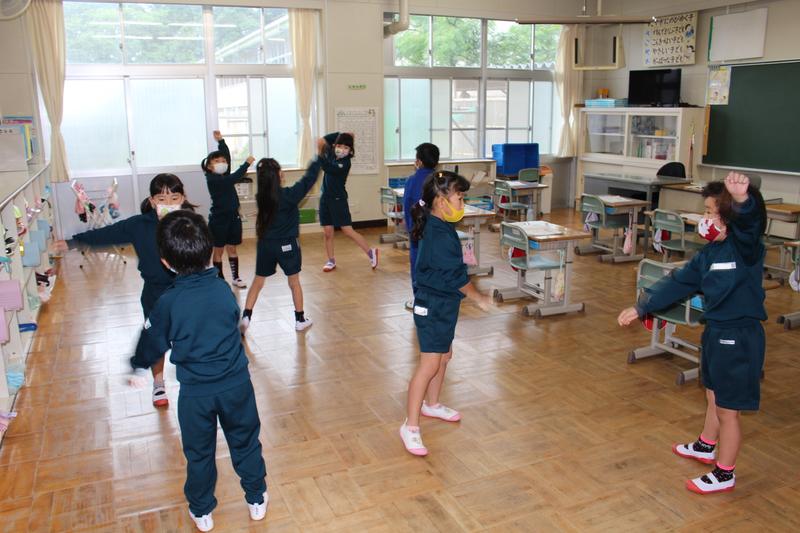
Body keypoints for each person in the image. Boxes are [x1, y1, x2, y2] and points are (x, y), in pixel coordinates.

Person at [618, 172, 767, 494]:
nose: (704, 218)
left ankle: (725, 474)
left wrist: (742, 199)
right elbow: (680, 282)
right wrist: (643, 307)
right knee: (713, 393)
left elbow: (752, 223)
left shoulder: (746, 248)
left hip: (739, 337)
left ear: (730, 217)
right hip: (715, 331)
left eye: (711, 212)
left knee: (728, 410)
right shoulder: (709, 253)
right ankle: (705, 445)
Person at [131, 211, 267, 532]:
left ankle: (202, 510)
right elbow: (231, 323)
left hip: (196, 393)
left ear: (165, 262)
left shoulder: (168, 302)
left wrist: (137, 364)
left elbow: (153, 342)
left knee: (199, 453)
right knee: (246, 441)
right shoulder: (222, 290)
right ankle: (256, 497)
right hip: (237, 385)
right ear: (208, 252)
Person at [72, 173, 196, 408]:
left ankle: (191, 379)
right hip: (155, 293)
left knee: (188, 336)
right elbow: (106, 234)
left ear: (182, 198)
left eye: (174, 198)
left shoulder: (192, 222)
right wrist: (73, 241)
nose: (168, 203)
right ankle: (158, 383)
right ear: (152, 201)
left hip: (186, 291)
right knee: (155, 337)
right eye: (161, 199)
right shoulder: (140, 225)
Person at [400, 171, 492, 456]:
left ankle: (432, 404)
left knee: (444, 356)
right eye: (460, 198)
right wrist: (478, 297)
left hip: (444, 304)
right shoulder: (438, 233)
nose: (463, 203)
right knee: (429, 365)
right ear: (441, 201)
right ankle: (410, 426)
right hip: (431, 306)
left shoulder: (439, 222)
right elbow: (456, 277)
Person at [240, 155, 323, 335]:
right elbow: (308, 179)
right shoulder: (289, 195)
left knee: (258, 281)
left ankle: (246, 316)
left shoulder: (261, 197)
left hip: (265, 245)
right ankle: (300, 320)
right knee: (294, 282)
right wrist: (319, 158)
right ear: (278, 174)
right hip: (287, 244)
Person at [316, 131, 378, 272]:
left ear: (350, 151)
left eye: (346, 147)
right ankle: (331, 260)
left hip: (338, 200)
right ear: (335, 146)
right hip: (325, 198)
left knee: (347, 230)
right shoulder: (332, 154)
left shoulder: (345, 163)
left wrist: (319, 152)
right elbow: (325, 139)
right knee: (327, 232)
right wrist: (341, 134)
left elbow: (327, 167)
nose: (342, 149)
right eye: (339, 146)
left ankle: (371, 253)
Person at [202, 130, 254, 288]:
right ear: (209, 167)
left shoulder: (224, 175)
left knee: (232, 248)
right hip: (219, 219)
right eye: (217, 161)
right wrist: (246, 164)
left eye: (223, 161)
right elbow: (234, 177)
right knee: (218, 250)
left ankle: (236, 277)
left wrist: (221, 141)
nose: (222, 162)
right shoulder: (212, 179)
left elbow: (227, 157)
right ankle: (219, 279)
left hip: (233, 218)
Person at [403, 143, 440, 309]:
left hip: (417, 232)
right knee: (436, 265)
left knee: (418, 266)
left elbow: (407, 207)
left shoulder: (412, 180)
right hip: (438, 232)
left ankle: (420, 300)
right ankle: (436, 298)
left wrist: (410, 227)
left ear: (418, 161)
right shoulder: (441, 180)